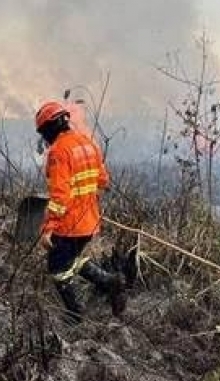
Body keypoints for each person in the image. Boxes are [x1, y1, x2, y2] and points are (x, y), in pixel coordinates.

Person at [34, 100, 127, 324]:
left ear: (49, 128)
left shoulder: (58, 152)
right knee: (71, 259)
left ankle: (75, 315)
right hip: (89, 222)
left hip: (69, 225)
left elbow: (60, 195)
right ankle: (110, 282)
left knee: (57, 268)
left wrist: (48, 228)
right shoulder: (88, 143)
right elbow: (103, 180)